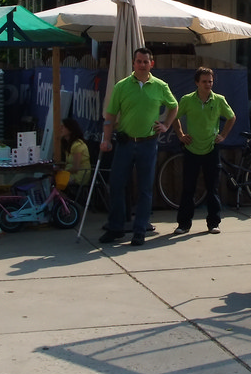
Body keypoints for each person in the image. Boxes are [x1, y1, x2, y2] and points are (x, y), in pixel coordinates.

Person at [98, 47, 177, 246]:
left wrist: (166, 125)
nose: (142, 65)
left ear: (152, 64)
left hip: (147, 143)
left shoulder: (160, 86)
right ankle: (115, 228)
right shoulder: (121, 86)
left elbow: (174, 106)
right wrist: (106, 139)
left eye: (145, 61)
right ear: (133, 63)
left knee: (145, 189)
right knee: (116, 185)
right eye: (139, 61)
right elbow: (111, 114)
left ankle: (140, 230)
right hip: (125, 143)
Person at [172, 67, 236, 235]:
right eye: (204, 81)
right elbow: (174, 117)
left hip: (211, 148)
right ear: (197, 83)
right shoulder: (187, 99)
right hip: (191, 148)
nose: (208, 84)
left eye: (210, 81)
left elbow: (231, 117)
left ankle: (214, 223)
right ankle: (183, 224)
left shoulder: (219, 100)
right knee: (188, 188)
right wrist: (181, 135)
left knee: (212, 188)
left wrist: (223, 135)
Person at [60, 116, 92, 190]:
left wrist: (62, 171)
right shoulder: (68, 144)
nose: (60, 129)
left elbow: (76, 168)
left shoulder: (77, 145)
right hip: (70, 174)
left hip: (79, 176)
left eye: (63, 127)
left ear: (70, 129)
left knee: (56, 180)